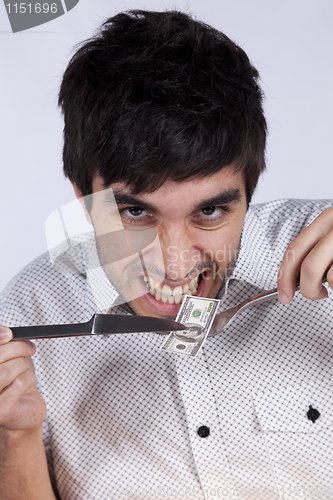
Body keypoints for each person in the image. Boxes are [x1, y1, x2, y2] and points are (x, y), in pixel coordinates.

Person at [0, 10, 333, 500]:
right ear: (81, 198)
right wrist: (15, 437)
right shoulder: (29, 314)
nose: (175, 265)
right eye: (135, 213)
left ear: (250, 190)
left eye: (212, 211)